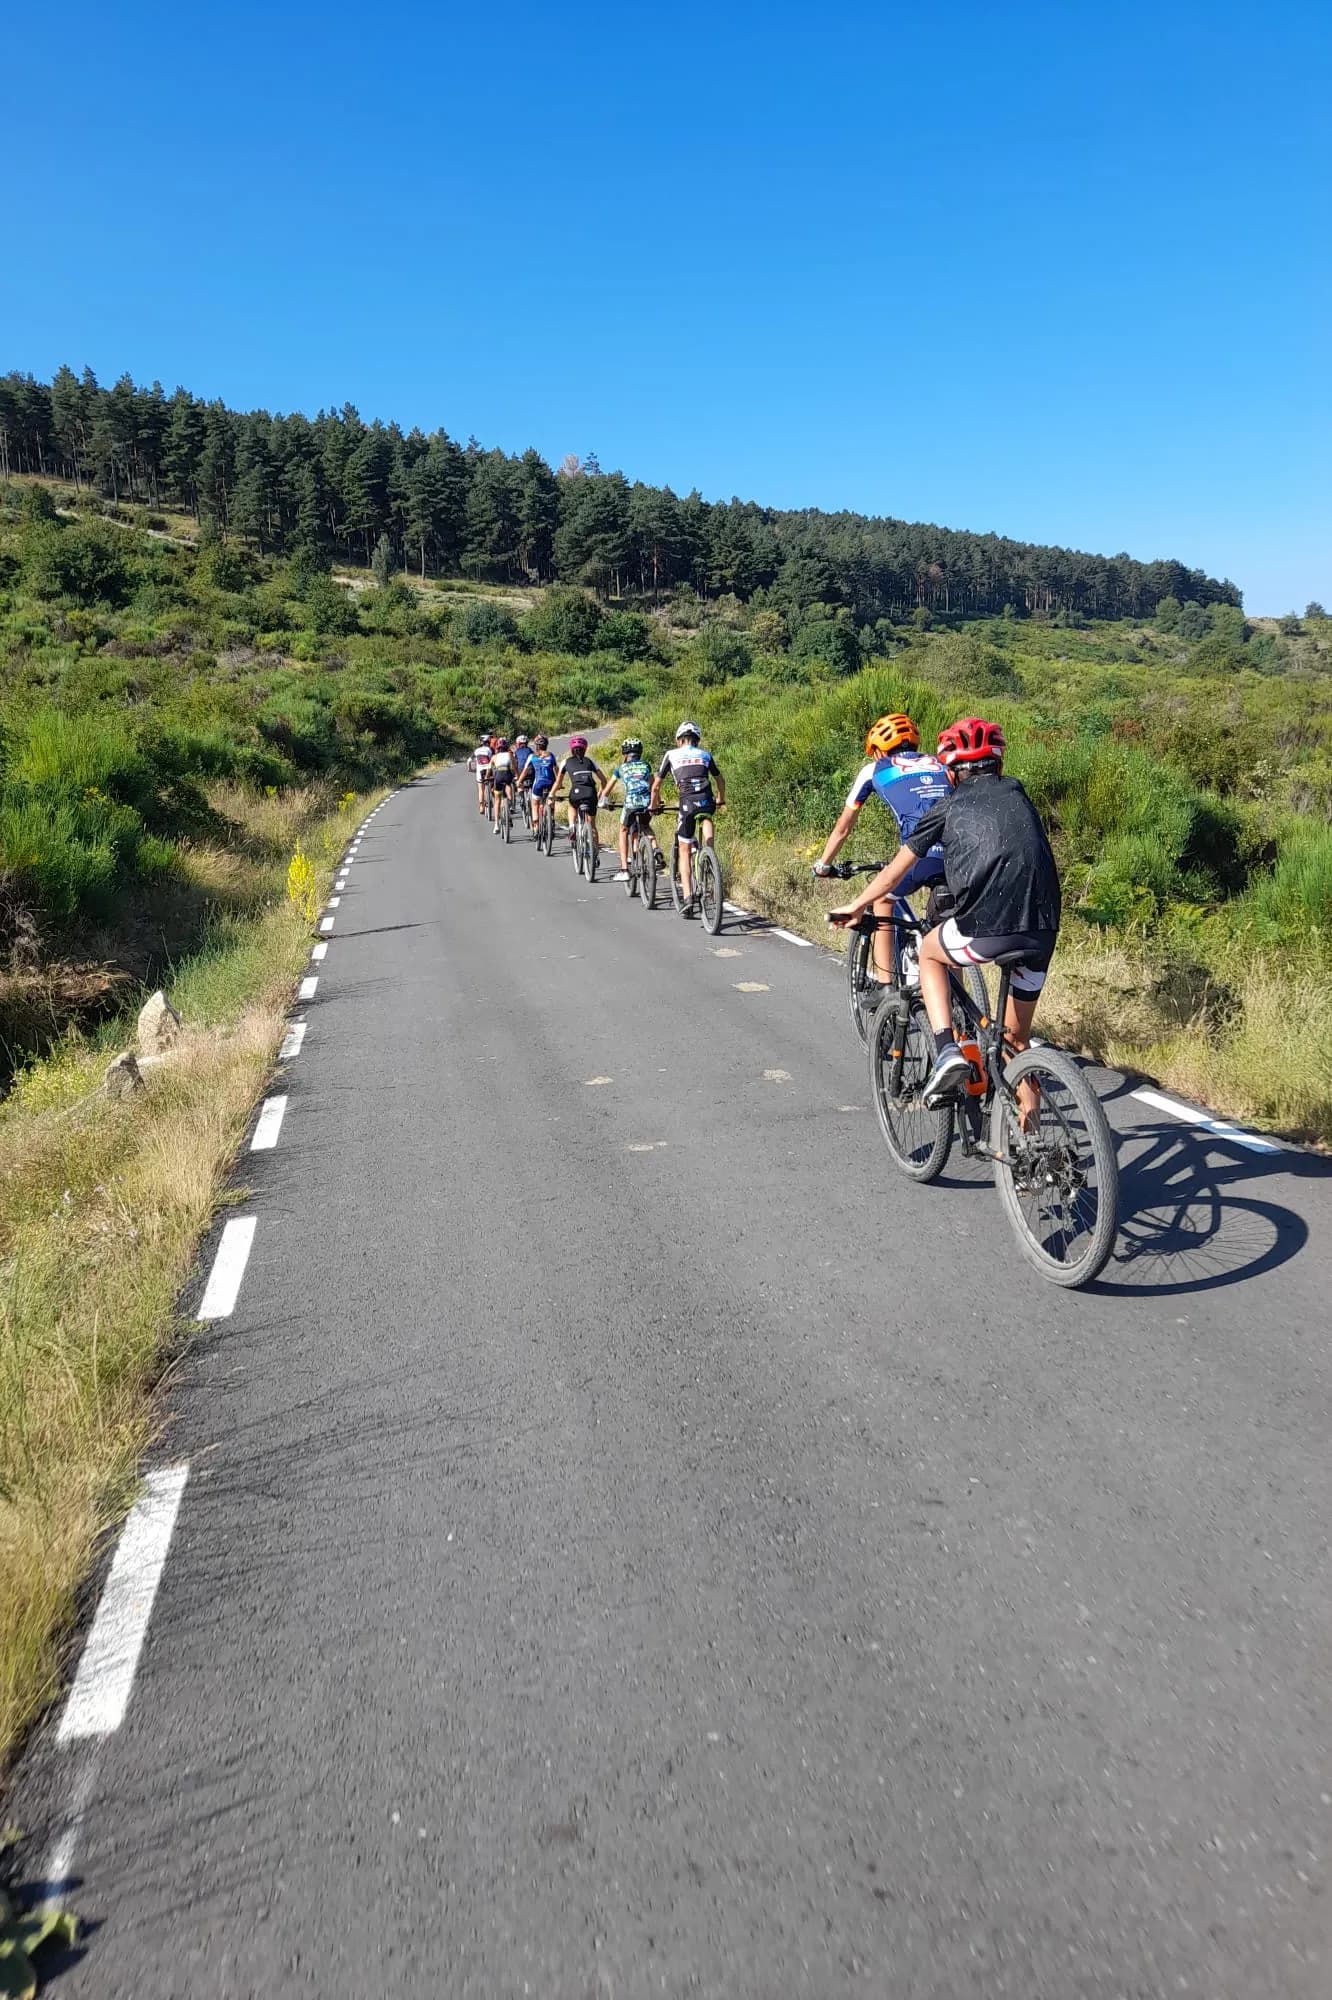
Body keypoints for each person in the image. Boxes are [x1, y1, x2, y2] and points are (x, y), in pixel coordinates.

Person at [826, 718, 1060, 1114]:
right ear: (999, 766)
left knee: (930, 953)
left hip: (988, 927)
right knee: (1016, 1043)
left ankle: (946, 1047)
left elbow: (898, 869)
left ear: (951, 772)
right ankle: (1036, 1148)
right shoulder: (1018, 792)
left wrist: (858, 903)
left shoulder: (945, 805)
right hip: (1044, 927)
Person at [811, 713, 950, 987]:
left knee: (883, 900)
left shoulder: (873, 770)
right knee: (944, 933)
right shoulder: (941, 763)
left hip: (918, 855)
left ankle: (885, 986)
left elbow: (843, 828)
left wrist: (823, 865)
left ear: (878, 750)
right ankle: (959, 1015)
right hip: (959, 856)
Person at [650, 721, 725, 914]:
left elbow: (656, 786)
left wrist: (653, 805)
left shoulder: (671, 755)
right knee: (707, 817)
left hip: (687, 803)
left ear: (678, 740)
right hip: (707, 799)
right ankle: (709, 853)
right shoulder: (705, 754)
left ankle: (688, 897)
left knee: (684, 850)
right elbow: (719, 779)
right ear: (697, 740)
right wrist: (720, 799)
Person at [599, 737, 656, 881]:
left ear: (625, 753)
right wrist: (657, 802)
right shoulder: (646, 766)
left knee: (623, 830)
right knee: (645, 825)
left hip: (630, 804)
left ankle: (624, 869)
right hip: (646, 803)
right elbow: (653, 786)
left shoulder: (621, 768)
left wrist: (603, 802)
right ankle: (656, 850)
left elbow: (607, 790)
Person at [551, 734, 606, 857]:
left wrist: (552, 794)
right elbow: (603, 780)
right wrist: (601, 792)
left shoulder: (566, 762)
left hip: (576, 792)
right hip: (591, 793)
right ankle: (595, 853)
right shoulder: (590, 761)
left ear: (571, 750)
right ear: (585, 749)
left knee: (572, 806)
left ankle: (571, 827)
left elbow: (558, 782)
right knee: (592, 826)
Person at [521, 734, 558, 828]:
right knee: (551, 798)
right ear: (546, 746)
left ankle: (536, 827)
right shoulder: (551, 755)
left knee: (534, 804)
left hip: (538, 783)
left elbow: (525, 771)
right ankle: (552, 817)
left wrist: (519, 781)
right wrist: (558, 783)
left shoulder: (532, 756)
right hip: (550, 782)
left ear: (536, 746)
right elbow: (556, 770)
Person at [490, 737, 518, 825]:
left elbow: (489, 770)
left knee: (497, 800)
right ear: (507, 747)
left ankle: (496, 825)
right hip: (507, 774)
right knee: (508, 785)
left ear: (497, 748)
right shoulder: (510, 755)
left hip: (498, 776)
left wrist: (487, 777)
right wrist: (517, 775)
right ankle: (510, 802)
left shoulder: (494, 757)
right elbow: (514, 767)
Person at [471, 735, 494, 815]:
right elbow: (493, 760)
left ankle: (481, 806)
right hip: (489, 770)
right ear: (488, 742)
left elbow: (469, 761)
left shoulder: (476, 750)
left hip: (480, 772)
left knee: (481, 789)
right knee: (492, 784)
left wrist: (470, 769)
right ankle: (492, 795)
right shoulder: (490, 749)